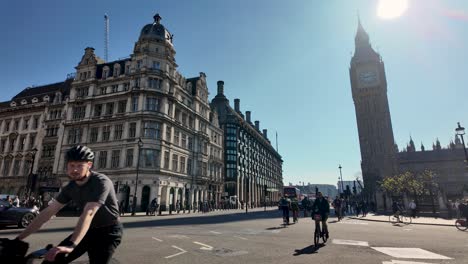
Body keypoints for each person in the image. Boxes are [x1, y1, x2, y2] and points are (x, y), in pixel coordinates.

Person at [16, 145, 123, 263]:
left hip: (109, 231)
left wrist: (72, 245)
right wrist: (18, 239)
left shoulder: (101, 181)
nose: (75, 170)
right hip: (89, 230)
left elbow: (89, 213)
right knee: (54, 258)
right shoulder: (70, 187)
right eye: (72, 165)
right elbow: (48, 212)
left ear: (89, 165)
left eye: (79, 165)